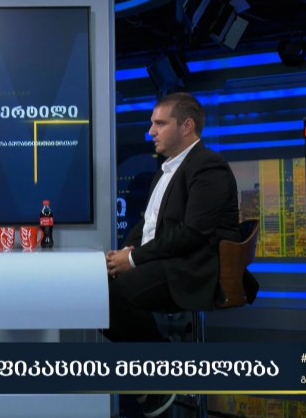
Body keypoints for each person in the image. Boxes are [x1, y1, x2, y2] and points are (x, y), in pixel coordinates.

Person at [102, 92, 240, 417]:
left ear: (187, 126)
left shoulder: (209, 167)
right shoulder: (166, 169)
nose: (151, 131)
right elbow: (149, 224)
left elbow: (192, 234)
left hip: (193, 268)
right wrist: (125, 252)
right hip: (166, 260)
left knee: (112, 294)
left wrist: (133, 260)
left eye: (160, 123)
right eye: (152, 124)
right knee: (93, 291)